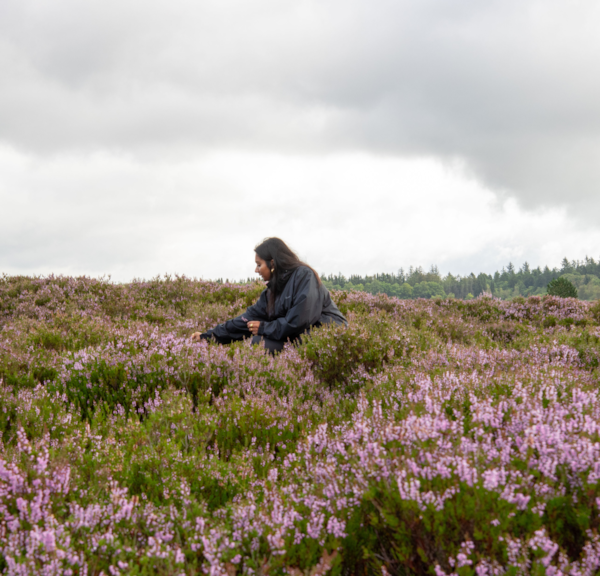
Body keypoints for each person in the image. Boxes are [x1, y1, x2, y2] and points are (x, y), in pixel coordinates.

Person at [190, 237, 347, 353]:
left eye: (259, 265)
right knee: (260, 343)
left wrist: (264, 327)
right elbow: (244, 321)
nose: (256, 270)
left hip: (327, 337)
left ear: (272, 264)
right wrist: (208, 336)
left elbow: (299, 321)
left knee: (266, 341)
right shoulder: (270, 293)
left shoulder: (304, 276)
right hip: (299, 337)